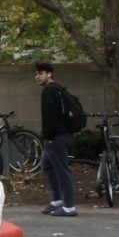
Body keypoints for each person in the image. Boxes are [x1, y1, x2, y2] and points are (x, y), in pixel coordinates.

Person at [36, 62, 78, 217]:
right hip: (61, 134)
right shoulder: (58, 90)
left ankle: (69, 206)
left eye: (40, 73)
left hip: (56, 137)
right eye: (36, 74)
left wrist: (50, 136)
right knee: (47, 165)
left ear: (49, 74)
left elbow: (50, 116)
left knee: (61, 170)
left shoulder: (49, 91)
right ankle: (57, 200)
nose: (37, 77)